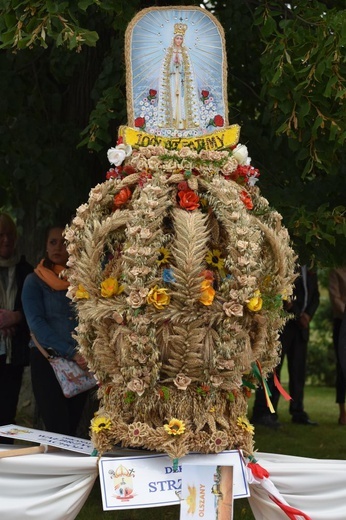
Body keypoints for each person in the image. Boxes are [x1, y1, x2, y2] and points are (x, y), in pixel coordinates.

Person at [21, 225, 90, 436]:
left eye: (64, 242)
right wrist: (73, 352)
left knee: (72, 426)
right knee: (56, 427)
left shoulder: (82, 281)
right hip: (48, 361)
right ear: (46, 246)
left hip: (80, 363)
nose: (58, 247)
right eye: (53, 242)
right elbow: (37, 326)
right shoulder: (34, 281)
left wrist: (85, 353)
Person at [252, 265, 320, 427]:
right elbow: (284, 297)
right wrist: (298, 315)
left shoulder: (311, 266)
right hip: (284, 326)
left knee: (298, 372)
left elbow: (315, 296)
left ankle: (298, 411)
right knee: (273, 369)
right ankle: (265, 412)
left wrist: (308, 316)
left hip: (302, 328)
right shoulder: (287, 264)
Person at [0, 212, 33, 444]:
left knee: (7, 414)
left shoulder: (25, 271)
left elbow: (34, 312)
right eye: (0, 235)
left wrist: (17, 316)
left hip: (13, 354)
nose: (5, 240)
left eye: (9, 235)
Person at [157, 22, 200, 130]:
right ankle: (172, 121)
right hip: (172, 79)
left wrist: (180, 66)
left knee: (181, 99)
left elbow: (187, 68)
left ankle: (182, 122)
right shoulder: (169, 52)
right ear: (174, 39)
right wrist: (173, 64)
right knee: (172, 98)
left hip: (181, 80)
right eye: (177, 38)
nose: (179, 41)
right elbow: (166, 68)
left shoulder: (184, 52)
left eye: (181, 39)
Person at [328, 267, 346, 425]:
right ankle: (342, 411)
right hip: (342, 324)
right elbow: (335, 298)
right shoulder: (336, 272)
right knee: (342, 368)